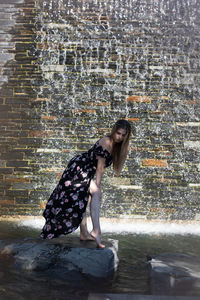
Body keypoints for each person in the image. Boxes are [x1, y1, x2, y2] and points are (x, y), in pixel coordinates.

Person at [40, 119, 131, 248]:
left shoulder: (118, 147)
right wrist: (97, 187)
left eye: (123, 135)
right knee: (96, 193)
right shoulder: (106, 141)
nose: (119, 137)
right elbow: (100, 168)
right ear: (114, 131)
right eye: (118, 133)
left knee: (81, 199)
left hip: (86, 171)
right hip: (78, 168)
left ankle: (84, 233)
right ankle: (96, 231)